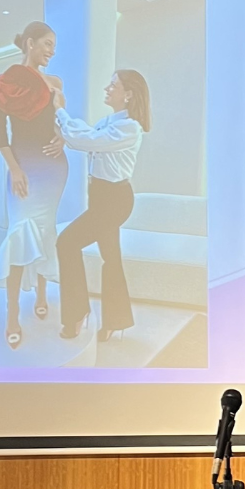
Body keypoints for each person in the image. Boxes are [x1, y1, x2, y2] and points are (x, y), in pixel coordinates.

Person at [52, 70, 151, 342]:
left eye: (113, 85)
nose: (107, 88)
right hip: (100, 197)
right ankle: (114, 321)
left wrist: (60, 111)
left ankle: (75, 315)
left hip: (115, 201)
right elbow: (84, 134)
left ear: (128, 94)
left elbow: (86, 141)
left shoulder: (129, 127)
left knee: (66, 243)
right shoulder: (109, 121)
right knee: (111, 257)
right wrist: (65, 132)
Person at [0, 21, 68, 349]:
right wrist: (15, 170)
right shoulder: (3, 82)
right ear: (30, 43)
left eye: (54, 46)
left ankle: (42, 292)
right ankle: (11, 315)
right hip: (21, 168)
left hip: (53, 169)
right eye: (47, 44)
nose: (52, 51)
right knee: (20, 234)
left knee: (46, 232)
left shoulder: (56, 82)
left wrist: (62, 139)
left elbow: (64, 122)